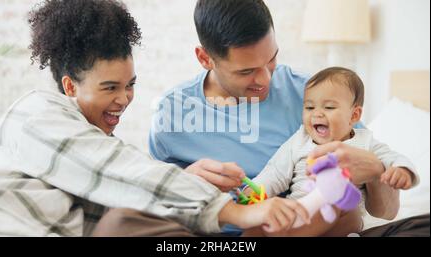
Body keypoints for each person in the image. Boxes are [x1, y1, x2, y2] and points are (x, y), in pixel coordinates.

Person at [0, 0, 309, 236]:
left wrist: (186, 177)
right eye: (110, 87)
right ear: (70, 86)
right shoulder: (34, 114)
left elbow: (130, 186)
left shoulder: (309, 94)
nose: (124, 99)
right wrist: (239, 211)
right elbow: (121, 171)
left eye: (130, 85)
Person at [149, 0, 411, 234]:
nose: (265, 79)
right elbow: (150, 202)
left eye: (272, 59)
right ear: (205, 58)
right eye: (247, 71)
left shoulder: (311, 96)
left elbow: (386, 212)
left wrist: (376, 171)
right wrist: (185, 183)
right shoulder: (172, 114)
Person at [242, 67, 419, 236]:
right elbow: (275, 174)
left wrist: (403, 171)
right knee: (256, 225)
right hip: (299, 213)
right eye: (310, 107)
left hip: (339, 221)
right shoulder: (299, 140)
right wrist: (254, 193)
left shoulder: (366, 142)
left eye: (329, 107)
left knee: (345, 205)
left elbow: (393, 159)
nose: (317, 114)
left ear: (354, 116)